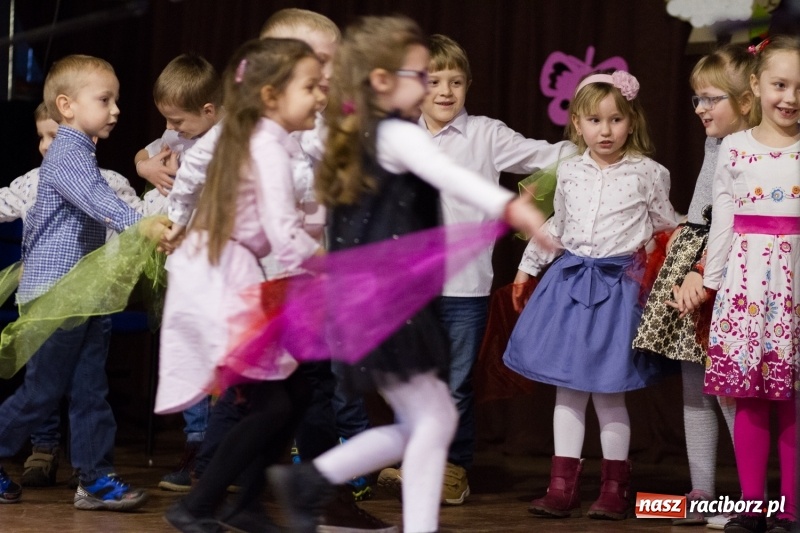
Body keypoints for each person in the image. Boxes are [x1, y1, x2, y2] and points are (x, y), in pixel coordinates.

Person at [266, 15, 551, 533]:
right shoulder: (395, 136)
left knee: (431, 420)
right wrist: (515, 208)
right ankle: (315, 480)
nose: (427, 87)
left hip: (373, 302)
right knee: (434, 419)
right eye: (419, 76)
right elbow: (450, 174)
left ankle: (366, 503)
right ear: (381, 81)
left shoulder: (352, 135)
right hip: (384, 305)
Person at [376, 33, 574, 506]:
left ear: (468, 86)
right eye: (433, 81)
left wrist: (598, 135)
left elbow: (552, 155)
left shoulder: (487, 134)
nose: (445, 91)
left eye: (456, 82)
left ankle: (454, 471)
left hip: (466, 289)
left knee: (457, 384)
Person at [158, 37, 327, 533]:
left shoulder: (270, 139)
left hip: (240, 275)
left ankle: (245, 504)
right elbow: (283, 233)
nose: (321, 96)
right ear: (272, 96)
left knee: (293, 395)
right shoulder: (265, 146)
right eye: (311, 87)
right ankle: (198, 505)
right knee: (271, 401)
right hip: (225, 282)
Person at [503, 69, 679, 520]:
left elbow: (666, 224)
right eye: (595, 121)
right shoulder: (568, 172)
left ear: (631, 121)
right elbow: (556, 225)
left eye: (616, 120)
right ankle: (562, 486)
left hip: (619, 290)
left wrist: (677, 266)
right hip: (569, 284)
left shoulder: (649, 173)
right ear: (577, 125)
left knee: (608, 391)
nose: (606, 130)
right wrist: (526, 269)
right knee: (568, 389)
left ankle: (614, 486)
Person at [0, 54, 167, 510]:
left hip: (87, 295)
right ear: (67, 106)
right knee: (41, 394)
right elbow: (97, 201)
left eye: (116, 100)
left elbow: (104, 198)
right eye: (105, 99)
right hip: (56, 297)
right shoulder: (66, 154)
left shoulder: (84, 154)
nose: (116, 110)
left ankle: (94, 479)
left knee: (91, 391)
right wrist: (142, 226)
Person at [678, 35, 799, 533]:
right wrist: (711, 281)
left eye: (799, 87)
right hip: (746, 289)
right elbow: (723, 219)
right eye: (779, 84)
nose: (790, 97)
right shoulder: (734, 148)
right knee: (746, 395)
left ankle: (791, 511)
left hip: (793, 289)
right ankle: (755, 505)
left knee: (790, 396)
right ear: (756, 84)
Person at [632, 44, 757, 527]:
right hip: (696, 260)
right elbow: (703, 208)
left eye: (711, 99)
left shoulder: (757, 149)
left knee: (728, 385)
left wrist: (706, 271)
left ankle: (751, 498)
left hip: (732, 267)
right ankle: (702, 488)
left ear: (747, 100)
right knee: (694, 382)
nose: (701, 109)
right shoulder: (716, 144)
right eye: (696, 100)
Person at [132, 53, 224, 493]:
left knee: (218, 355)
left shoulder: (227, 141)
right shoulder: (178, 132)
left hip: (217, 263)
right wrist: (148, 166)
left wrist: (182, 171)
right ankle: (196, 443)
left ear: (208, 111)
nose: (172, 128)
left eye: (178, 119)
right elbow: (142, 156)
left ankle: (218, 450)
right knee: (189, 351)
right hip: (181, 261)